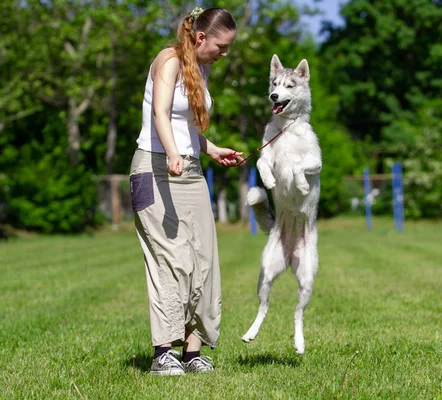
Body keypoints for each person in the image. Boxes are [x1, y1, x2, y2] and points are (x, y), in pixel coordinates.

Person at [129, 7, 243, 376]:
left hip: (190, 172)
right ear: (200, 38)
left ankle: (192, 353)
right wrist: (174, 154)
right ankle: (164, 352)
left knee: (204, 260)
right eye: (221, 47)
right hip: (155, 169)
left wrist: (211, 149)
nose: (223, 55)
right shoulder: (168, 61)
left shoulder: (201, 70)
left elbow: (187, 126)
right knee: (172, 259)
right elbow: (161, 114)